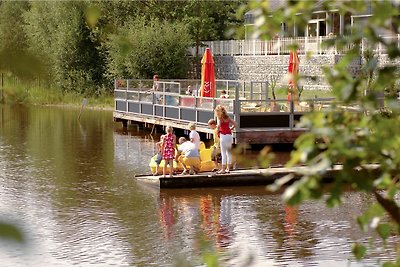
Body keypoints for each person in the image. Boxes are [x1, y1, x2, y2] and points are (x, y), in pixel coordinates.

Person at [214, 105, 236, 174]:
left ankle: (223, 169)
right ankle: (228, 169)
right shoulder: (227, 117)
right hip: (229, 135)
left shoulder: (219, 118)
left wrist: (217, 131)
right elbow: (235, 124)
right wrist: (231, 128)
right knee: (228, 153)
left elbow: (219, 126)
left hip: (223, 135)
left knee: (223, 153)